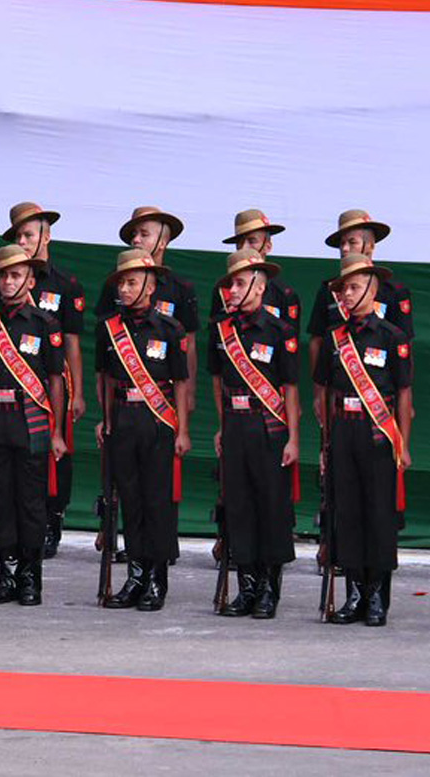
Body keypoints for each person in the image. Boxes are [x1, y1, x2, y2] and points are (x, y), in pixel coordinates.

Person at [314, 254, 412, 627]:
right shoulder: (334, 338)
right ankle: (353, 592)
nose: (346, 295)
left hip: (378, 433)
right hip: (344, 431)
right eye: (342, 289)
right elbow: (323, 390)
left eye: (353, 287)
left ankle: (377, 597)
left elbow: (403, 394)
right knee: (348, 513)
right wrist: (326, 443)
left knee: (378, 515)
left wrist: (401, 443)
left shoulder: (393, 337)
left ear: (372, 288)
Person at [0, 245, 67, 605]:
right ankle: (6, 576)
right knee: (2, 502)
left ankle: (30, 579)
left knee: (31, 503)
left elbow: (56, 380)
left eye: (16, 275)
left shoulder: (46, 325)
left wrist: (56, 432)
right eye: (4, 276)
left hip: (32, 421)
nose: (9, 282)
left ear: (30, 279)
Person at [95, 249, 191, 611]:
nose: (125, 287)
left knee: (157, 503)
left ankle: (156, 580)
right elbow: (102, 378)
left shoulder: (170, 328)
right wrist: (105, 418)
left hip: (158, 423)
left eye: (132, 281)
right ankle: (134, 575)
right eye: (122, 281)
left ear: (150, 286)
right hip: (123, 419)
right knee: (130, 502)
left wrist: (181, 429)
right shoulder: (109, 329)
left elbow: (181, 382)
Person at [208, 249, 299, 618]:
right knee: (239, 507)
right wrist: (221, 423)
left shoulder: (281, 332)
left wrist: (293, 437)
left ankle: (268, 590)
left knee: (271, 508)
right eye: (230, 283)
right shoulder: (221, 331)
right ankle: (245, 587)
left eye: (240, 283)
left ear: (259, 288)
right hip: (235, 426)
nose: (232, 289)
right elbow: (216, 381)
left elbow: (291, 389)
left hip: (269, 428)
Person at [0, 202, 86, 557]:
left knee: (55, 452)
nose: (22, 241)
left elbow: (72, 343)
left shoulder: (66, 284)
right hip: (16, 384)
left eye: (29, 234)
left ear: (46, 236)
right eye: (18, 235)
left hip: (53, 381)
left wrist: (77, 391)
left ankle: (53, 519)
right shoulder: (7, 277)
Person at [308, 210, 413, 434]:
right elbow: (317, 341)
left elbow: (405, 346)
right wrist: (318, 393)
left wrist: (406, 397)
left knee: (382, 460)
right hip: (338, 394)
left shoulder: (393, 291)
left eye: (352, 242)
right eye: (342, 244)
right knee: (333, 459)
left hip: (380, 398)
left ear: (370, 245)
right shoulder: (329, 290)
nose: (345, 248)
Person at [96, 207, 198, 415]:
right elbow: (103, 343)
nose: (136, 240)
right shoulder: (113, 283)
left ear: (162, 242)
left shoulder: (180, 288)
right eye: (133, 235)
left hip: (163, 395)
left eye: (144, 234)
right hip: (121, 396)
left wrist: (189, 390)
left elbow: (190, 344)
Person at [210, 209, 300, 330]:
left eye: (252, 241)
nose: (245, 247)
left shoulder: (284, 294)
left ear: (268, 247)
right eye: (240, 242)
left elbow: (290, 340)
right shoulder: (223, 290)